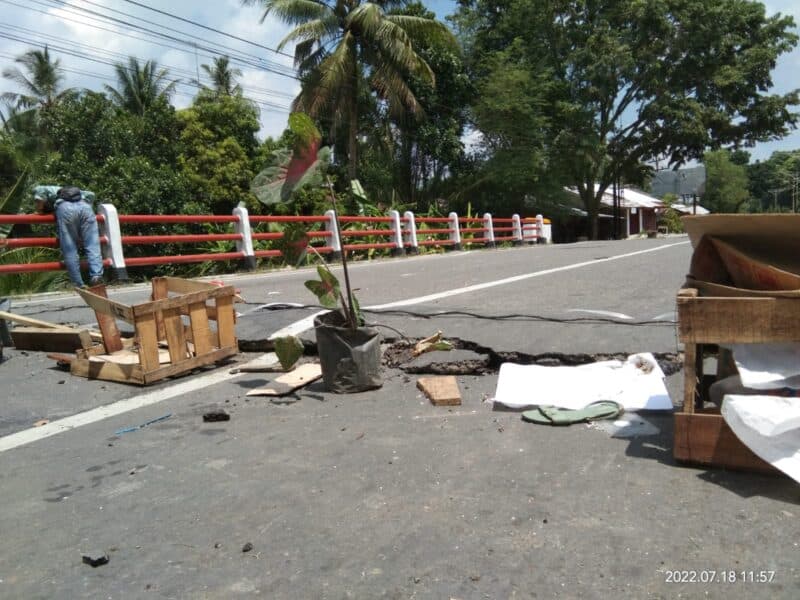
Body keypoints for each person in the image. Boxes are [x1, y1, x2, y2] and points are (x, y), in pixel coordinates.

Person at [33, 185, 104, 288]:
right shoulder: (77, 191)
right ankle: (96, 277)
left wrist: (39, 211)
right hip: (85, 207)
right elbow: (91, 195)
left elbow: (39, 195)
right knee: (93, 244)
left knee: (70, 248)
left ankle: (79, 283)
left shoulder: (43, 189)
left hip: (66, 209)